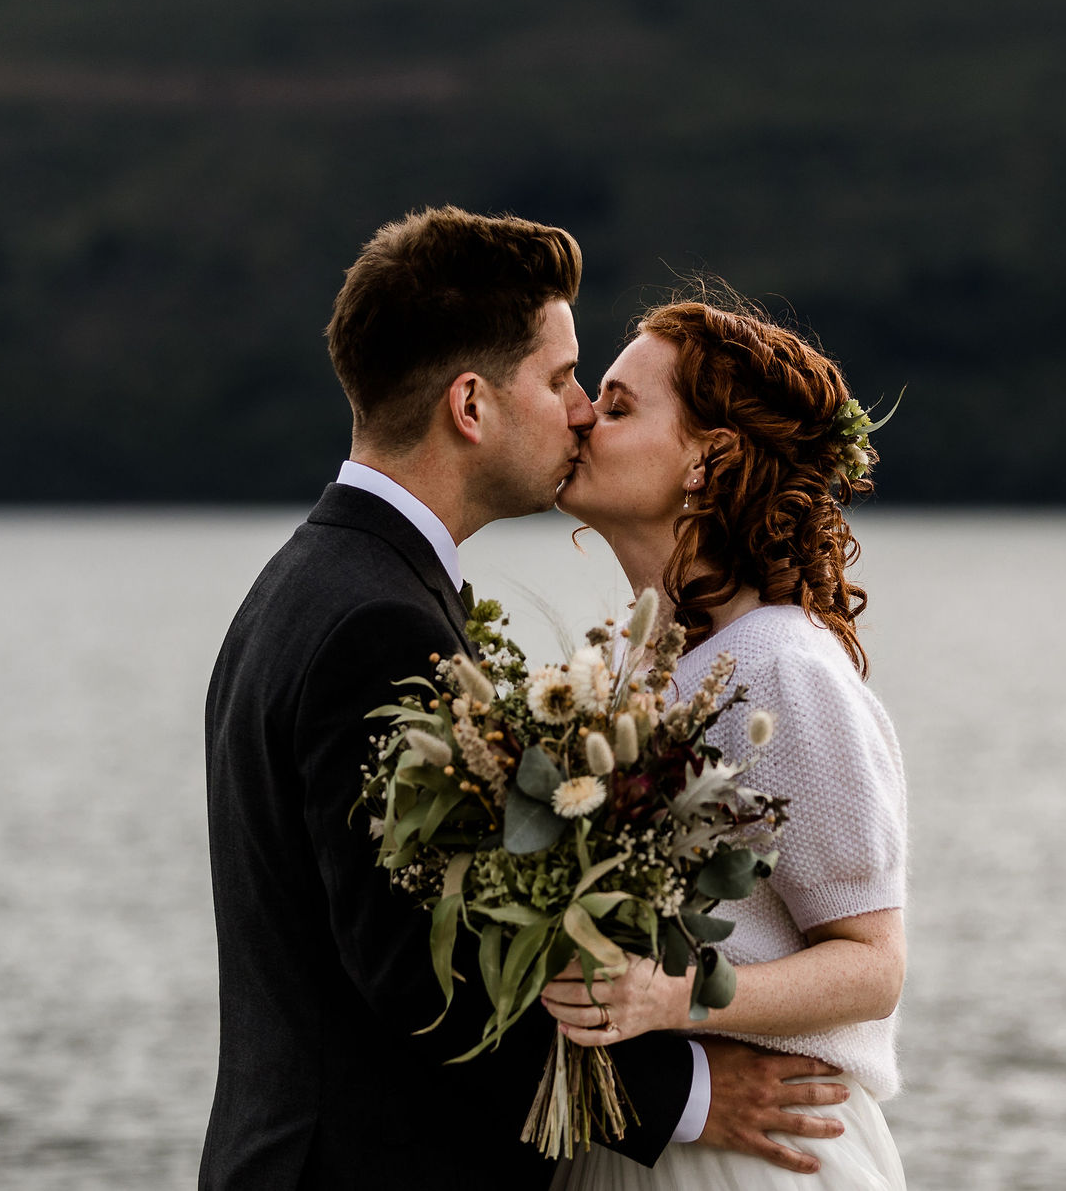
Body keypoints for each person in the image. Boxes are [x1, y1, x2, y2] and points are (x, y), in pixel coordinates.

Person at [199, 210, 853, 1191]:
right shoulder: (374, 625)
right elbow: (421, 984)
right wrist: (691, 1099)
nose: (581, 410)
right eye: (559, 380)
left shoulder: (312, 584)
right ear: (470, 405)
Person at [543, 297, 911, 1190]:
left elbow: (874, 963)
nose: (584, 415)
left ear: (707, 460)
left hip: (754, 1153)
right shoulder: (631, 661)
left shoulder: (781, 666)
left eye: (621, 405)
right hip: (633, 1132)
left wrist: (680, 994)